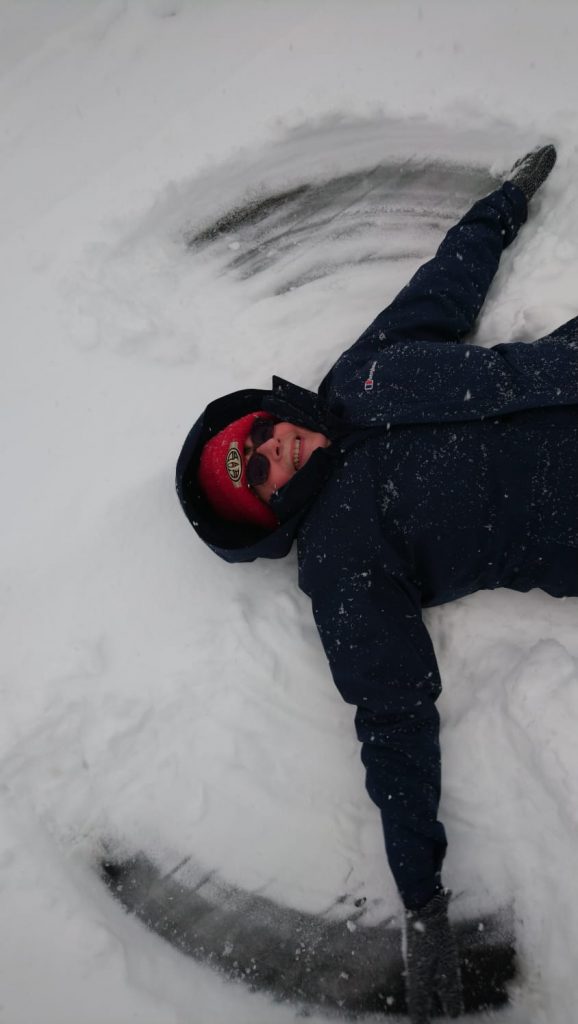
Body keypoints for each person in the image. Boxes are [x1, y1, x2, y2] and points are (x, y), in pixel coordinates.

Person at [176, 145, 577, 1022]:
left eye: (258, 436)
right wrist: (422, 900)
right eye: (259, 474)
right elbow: (392, 719)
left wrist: (500, 207)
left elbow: (445, 287)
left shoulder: (360, 373)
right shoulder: (340, 560)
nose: (275, 449)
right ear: (266, 512)